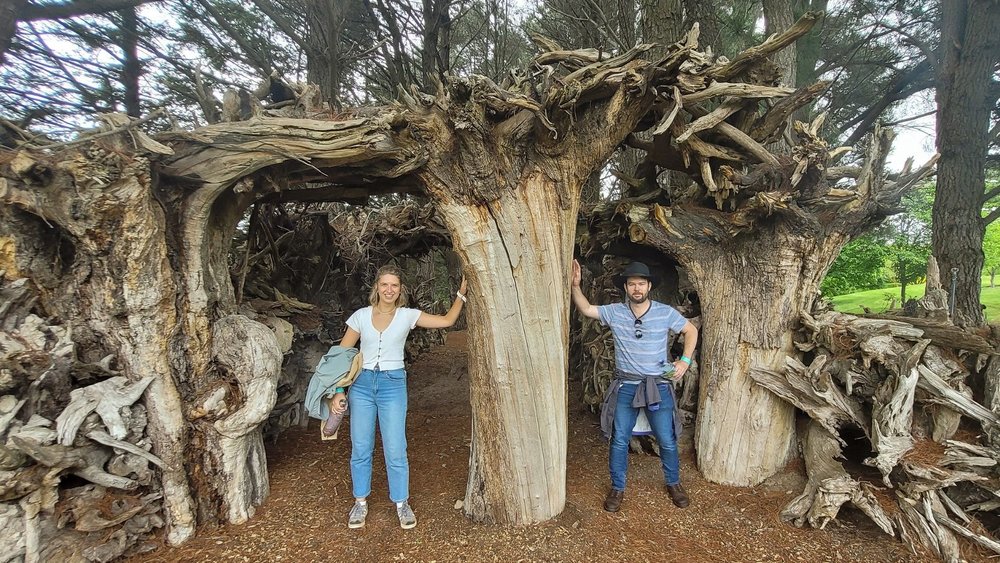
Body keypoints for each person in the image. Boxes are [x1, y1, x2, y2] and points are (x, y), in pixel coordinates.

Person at [333, 265, 468, 529]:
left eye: (394, 285)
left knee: (395, 447)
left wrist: (461, 294)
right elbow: (341, 356)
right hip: (361, 385)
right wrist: (339, 391)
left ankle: (401, 503)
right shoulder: (360, 316)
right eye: (384, 284)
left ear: (400, 290)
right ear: (377, 287)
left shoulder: (407, 315)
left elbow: (447, 321)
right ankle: (360, 502)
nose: (389, 290)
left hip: (392, 385)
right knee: (361, 447)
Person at [571, 259, 698, 513]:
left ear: (649, 286)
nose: (637, 289)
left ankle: (673, 483)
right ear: (626, 288)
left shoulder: (664, 312)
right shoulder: (616, 312)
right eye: (632, 284)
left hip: (657, 385)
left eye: (641, 283)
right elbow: (586, 309)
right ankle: (618, 488)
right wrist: (576, 285)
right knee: (619, 439)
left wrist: (684, 361)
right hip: (626, 385)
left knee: (667, 439)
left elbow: (690, 329)